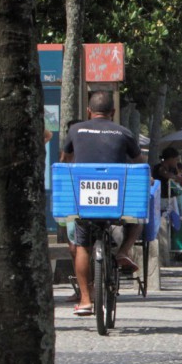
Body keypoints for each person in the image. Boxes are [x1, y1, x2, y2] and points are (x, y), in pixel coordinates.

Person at [61, 91, 143, 317]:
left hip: (85, 202)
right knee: (137, 221)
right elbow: (139, 164)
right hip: (116, 201)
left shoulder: (76, 130)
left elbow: (65, 160)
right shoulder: (124, 132)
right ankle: (123, 252)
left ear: (89, 111)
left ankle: (86, 300)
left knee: (82, 246)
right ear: (113, 112)